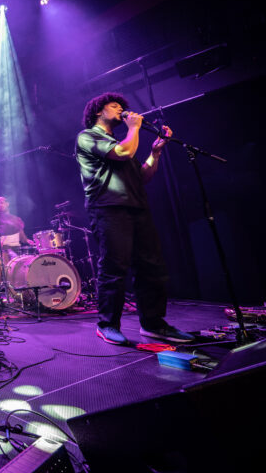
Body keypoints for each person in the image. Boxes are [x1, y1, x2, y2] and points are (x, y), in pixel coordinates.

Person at [75, 92, 193, 345]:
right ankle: (107, 325)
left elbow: (142, 177)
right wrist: (134, 128)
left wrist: (156, 152)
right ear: (98, 110)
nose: (121, 110)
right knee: (114, 267)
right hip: (108, 207)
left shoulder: (127, 139)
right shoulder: (88, 136)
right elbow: (123, 153)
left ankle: (153, 324)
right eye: (115, 106)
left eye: (122, 107)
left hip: (137, 206)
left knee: (152, 267)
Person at [0, 196, 32, 262]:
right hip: (5, 250)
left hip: (17, 249)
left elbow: (22, 237)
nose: (0, 205)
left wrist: (29, 241)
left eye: (2, 202)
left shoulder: (16, 220)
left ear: (7, 203)